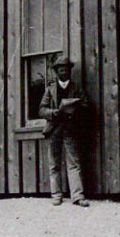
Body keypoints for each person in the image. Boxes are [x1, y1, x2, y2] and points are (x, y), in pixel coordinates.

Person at [38, 57, 90, 207]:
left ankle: (77, 196)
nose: (63, 71)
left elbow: (86, 106)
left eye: (66, 69)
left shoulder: (76, 88)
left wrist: (75, 109)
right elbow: (41, 109)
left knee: (74, 163)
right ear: (56, 72)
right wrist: (53, 112)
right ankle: (56, 195)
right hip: (54, 129)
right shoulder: (50, 89)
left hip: (70, 130)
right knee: (54, 163)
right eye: (60, 69)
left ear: (70, 71)